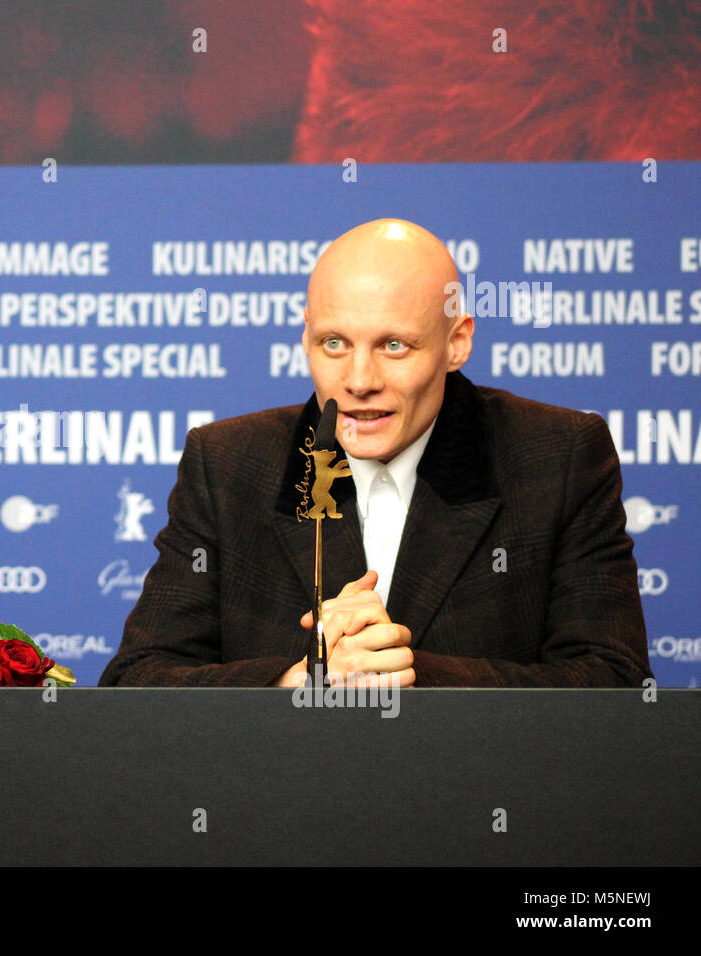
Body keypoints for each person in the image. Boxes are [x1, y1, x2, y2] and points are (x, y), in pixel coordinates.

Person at [99, 219, 651, 687]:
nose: (359, 381)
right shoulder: (225, 463)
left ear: (456, 342)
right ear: (306, 339)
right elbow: (137, 677)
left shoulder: (558, 455)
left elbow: (612, 678)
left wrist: (402, 672)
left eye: (394, 345)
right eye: (333, 344)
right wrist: (298, 679)